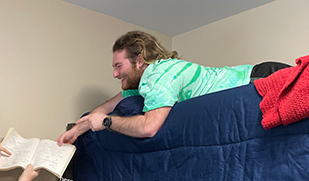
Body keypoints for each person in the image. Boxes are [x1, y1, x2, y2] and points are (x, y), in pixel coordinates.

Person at [57, 30, 289, 144]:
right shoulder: (148, 76)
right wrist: (80, 127)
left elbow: (149, 127)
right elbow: (109, 105)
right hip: (258, 76)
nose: (115, 74)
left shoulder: (157, 78)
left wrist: (107, 123)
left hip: (258, 81)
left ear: (139, 60)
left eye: (119, 66)